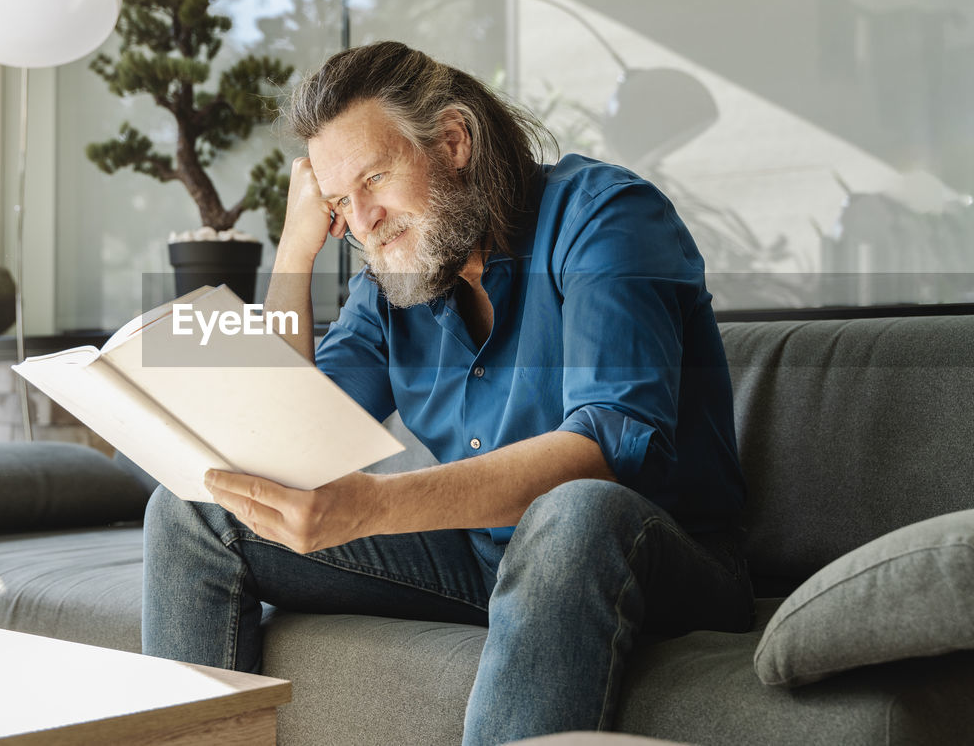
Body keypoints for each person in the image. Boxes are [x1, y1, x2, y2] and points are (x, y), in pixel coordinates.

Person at [143, 41, 753, 744]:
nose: (363, 220)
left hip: (661, 557)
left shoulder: (605, 217)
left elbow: (608, 449)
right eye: (342, 201)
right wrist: (294, 252)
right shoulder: (392, 280)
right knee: (200, 506)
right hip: (486, 559)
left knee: (574, 510)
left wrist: (371, 506)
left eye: (374, 177)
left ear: (453, 141)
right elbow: (286, 440)